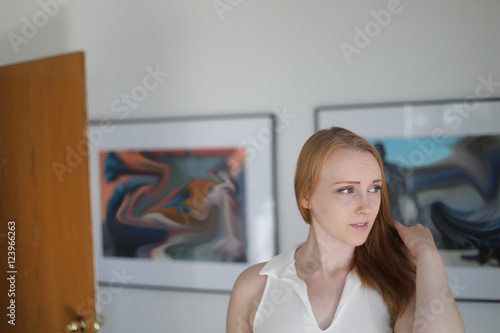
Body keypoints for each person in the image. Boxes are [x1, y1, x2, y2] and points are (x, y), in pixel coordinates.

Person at [226, 127, 465, 332]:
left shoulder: (399, 283)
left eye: (374, 188)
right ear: (306, 196)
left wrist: (429, 256)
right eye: (347, 190)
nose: (366, 207)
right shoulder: (255, 286)